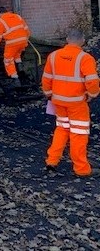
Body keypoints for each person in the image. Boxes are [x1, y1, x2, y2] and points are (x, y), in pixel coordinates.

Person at [42, 29, 100, 177]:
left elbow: (46, 79)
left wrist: (49, 94)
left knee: (62, 129)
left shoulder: (53, 56)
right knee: (78, 134)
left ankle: (51, 161)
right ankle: (81, 169)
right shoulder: (85, 58)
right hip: (77, 103)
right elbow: (92, 81)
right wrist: (92, 95)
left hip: (58, 102)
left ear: (67, 39)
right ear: (82, 41)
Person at [0, 6, 31, 86]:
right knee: (17, 54)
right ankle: (20, 67)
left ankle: (15, 78)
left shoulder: (0, 21)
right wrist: (25, 39)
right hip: (23, 41)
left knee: (8, 59)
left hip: (12, 43)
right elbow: (26, 29)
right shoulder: (17, 16)